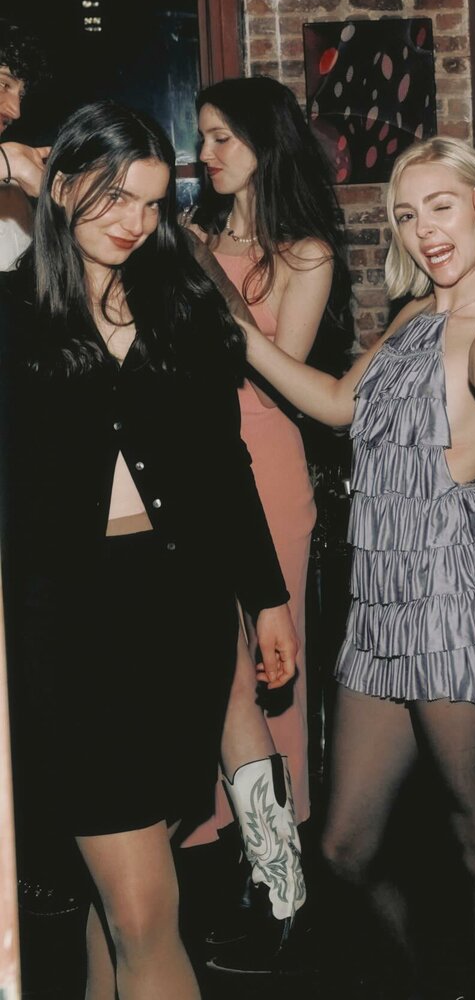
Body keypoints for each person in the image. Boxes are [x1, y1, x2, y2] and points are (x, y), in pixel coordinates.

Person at [235, 135, 475, 998]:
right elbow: (338, 404)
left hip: (453, 594)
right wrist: (238, 331)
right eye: (406, 216)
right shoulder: (413, 317)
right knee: (345, 847)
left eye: (441, 207)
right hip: (380, 597)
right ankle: (428, 979)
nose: (422, 231)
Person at [0, 99, 298, 998]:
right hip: (63, 628)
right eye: (113, 197)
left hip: (182, 617)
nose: (134, 221)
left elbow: (226, 468)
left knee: (119, 909)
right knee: (142, 910)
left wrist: (266, 598)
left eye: (151, 202)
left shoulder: (182, 305)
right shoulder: (12, 314)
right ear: (60, 189)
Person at [181, 75, 348, 944]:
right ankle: (226, 846)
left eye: (221, 138)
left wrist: (198, 265)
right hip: (193, 464)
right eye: (202, 137)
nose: (205, 154)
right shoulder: (195, 232)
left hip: (267, 462)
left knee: (270, 661)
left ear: (262, 141)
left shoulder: (304, 253)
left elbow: (275, 360)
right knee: (209, 660)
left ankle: (279, 877)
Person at [0, 18, 50, 269]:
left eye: (20, 95)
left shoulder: (14, 191)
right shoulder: (10, 165)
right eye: (3, 84)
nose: (15, 111)